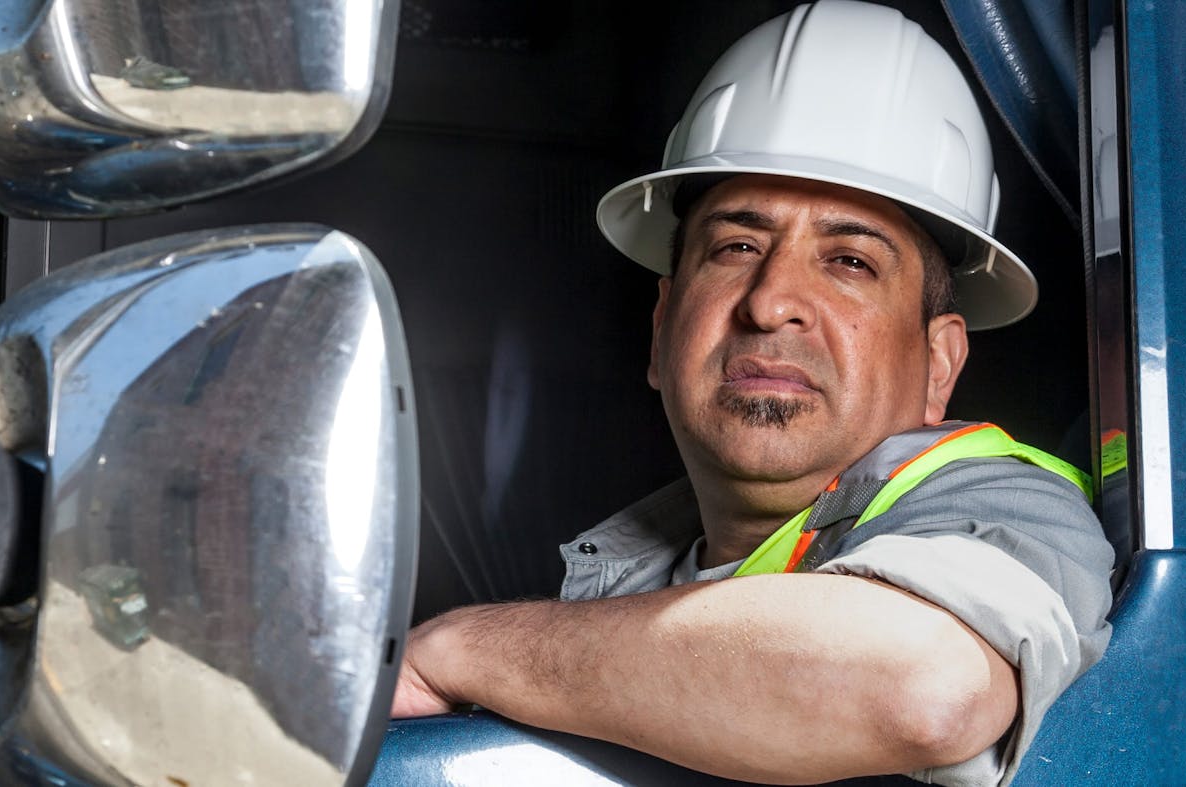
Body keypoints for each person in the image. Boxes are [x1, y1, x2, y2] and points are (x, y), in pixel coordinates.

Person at [387, 2, 1116, 785]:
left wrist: (462, 650)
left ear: (939, 364)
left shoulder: (1012, 506)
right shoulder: (630, 571)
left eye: (850, 262)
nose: (770, 302)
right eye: (737, 246)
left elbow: (922, 685)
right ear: (664, 328)